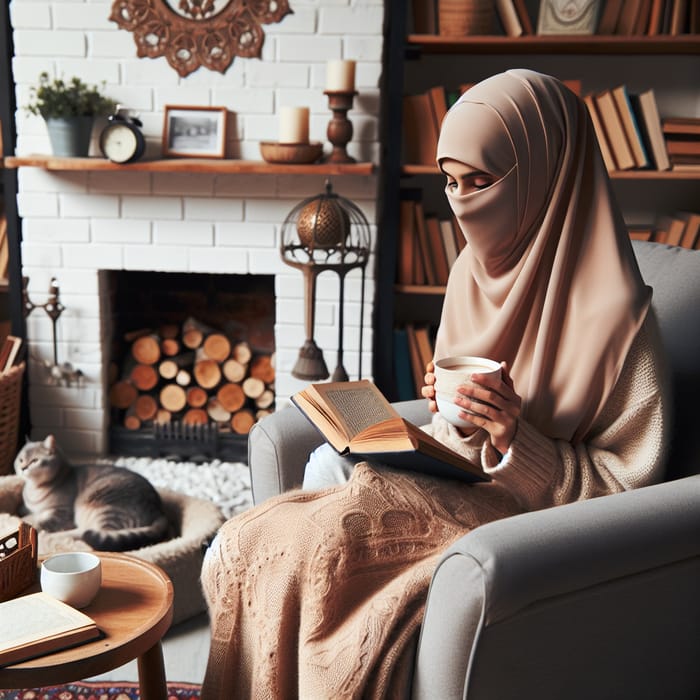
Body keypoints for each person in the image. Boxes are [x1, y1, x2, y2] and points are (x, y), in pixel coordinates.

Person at [200, 69, 670, 699]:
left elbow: (630, 491)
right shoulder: (469, 274)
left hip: (522, 521)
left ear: (547, 176)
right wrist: (447, 409)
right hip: (449, 482)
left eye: (482, 182)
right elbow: (458, 426)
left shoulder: (622, 322)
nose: (463, 201)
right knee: (243, 541)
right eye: (451, 181)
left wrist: (514, 437)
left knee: (322, 551)